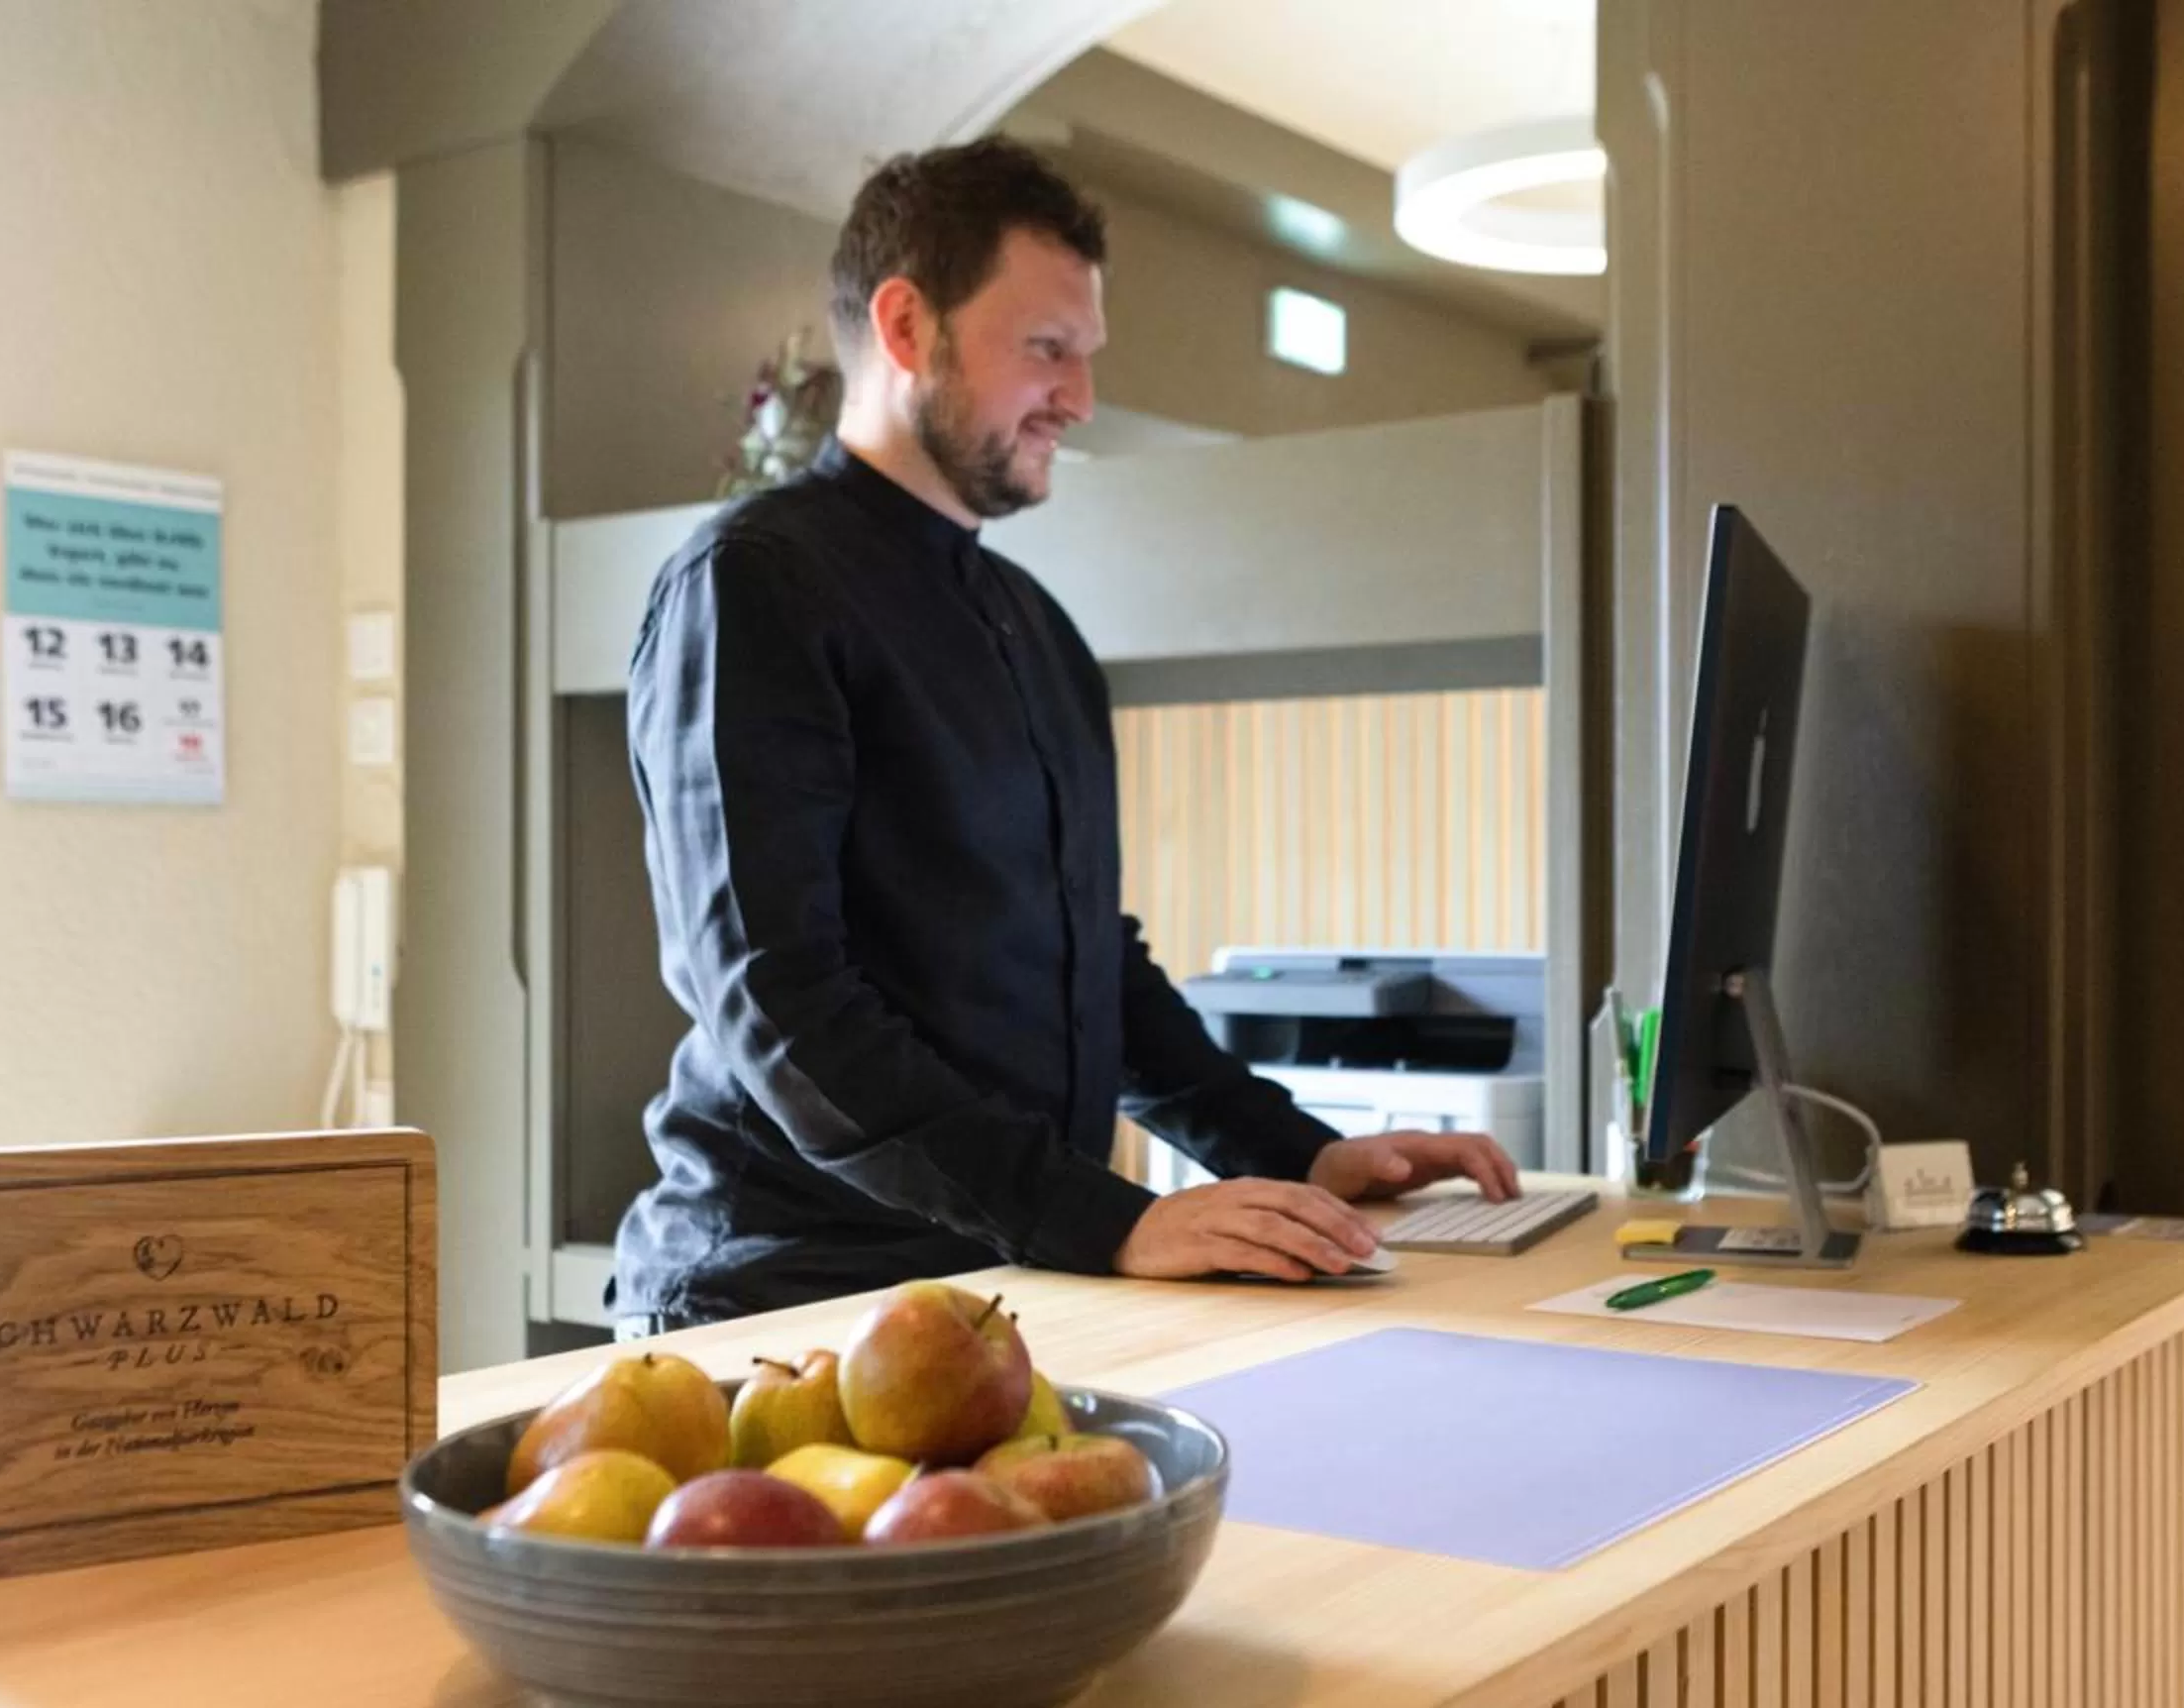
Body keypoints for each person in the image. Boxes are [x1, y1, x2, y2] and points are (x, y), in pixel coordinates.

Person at [610, 137, 1519, 1329]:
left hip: (994, 1290)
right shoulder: (753, 583)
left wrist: (1298, 1152)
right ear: (905, 327)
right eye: (1046, 349)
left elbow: (1098, 967)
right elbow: (779, 1001)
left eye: (1086, 357)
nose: (1081, 400)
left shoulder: (1041, 633)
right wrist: (1112, 1219)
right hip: (782, 1304)